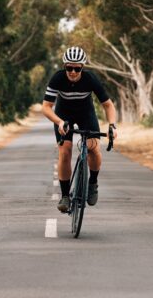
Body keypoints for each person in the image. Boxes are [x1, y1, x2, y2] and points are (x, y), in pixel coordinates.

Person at [42, 46, 117, 213]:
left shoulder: (90, 79)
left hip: (86, 113)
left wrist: (112, 125)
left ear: (82, 67)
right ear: (64, 67)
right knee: (65, 151)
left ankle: (92, 183)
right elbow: (46, 107)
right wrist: (60, 122)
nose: (73, 72)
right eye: (69, 68)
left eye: (77, 68)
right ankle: (65, 196)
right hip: (63, 115)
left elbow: (108, 105)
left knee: (93, 148)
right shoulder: (57, 79)